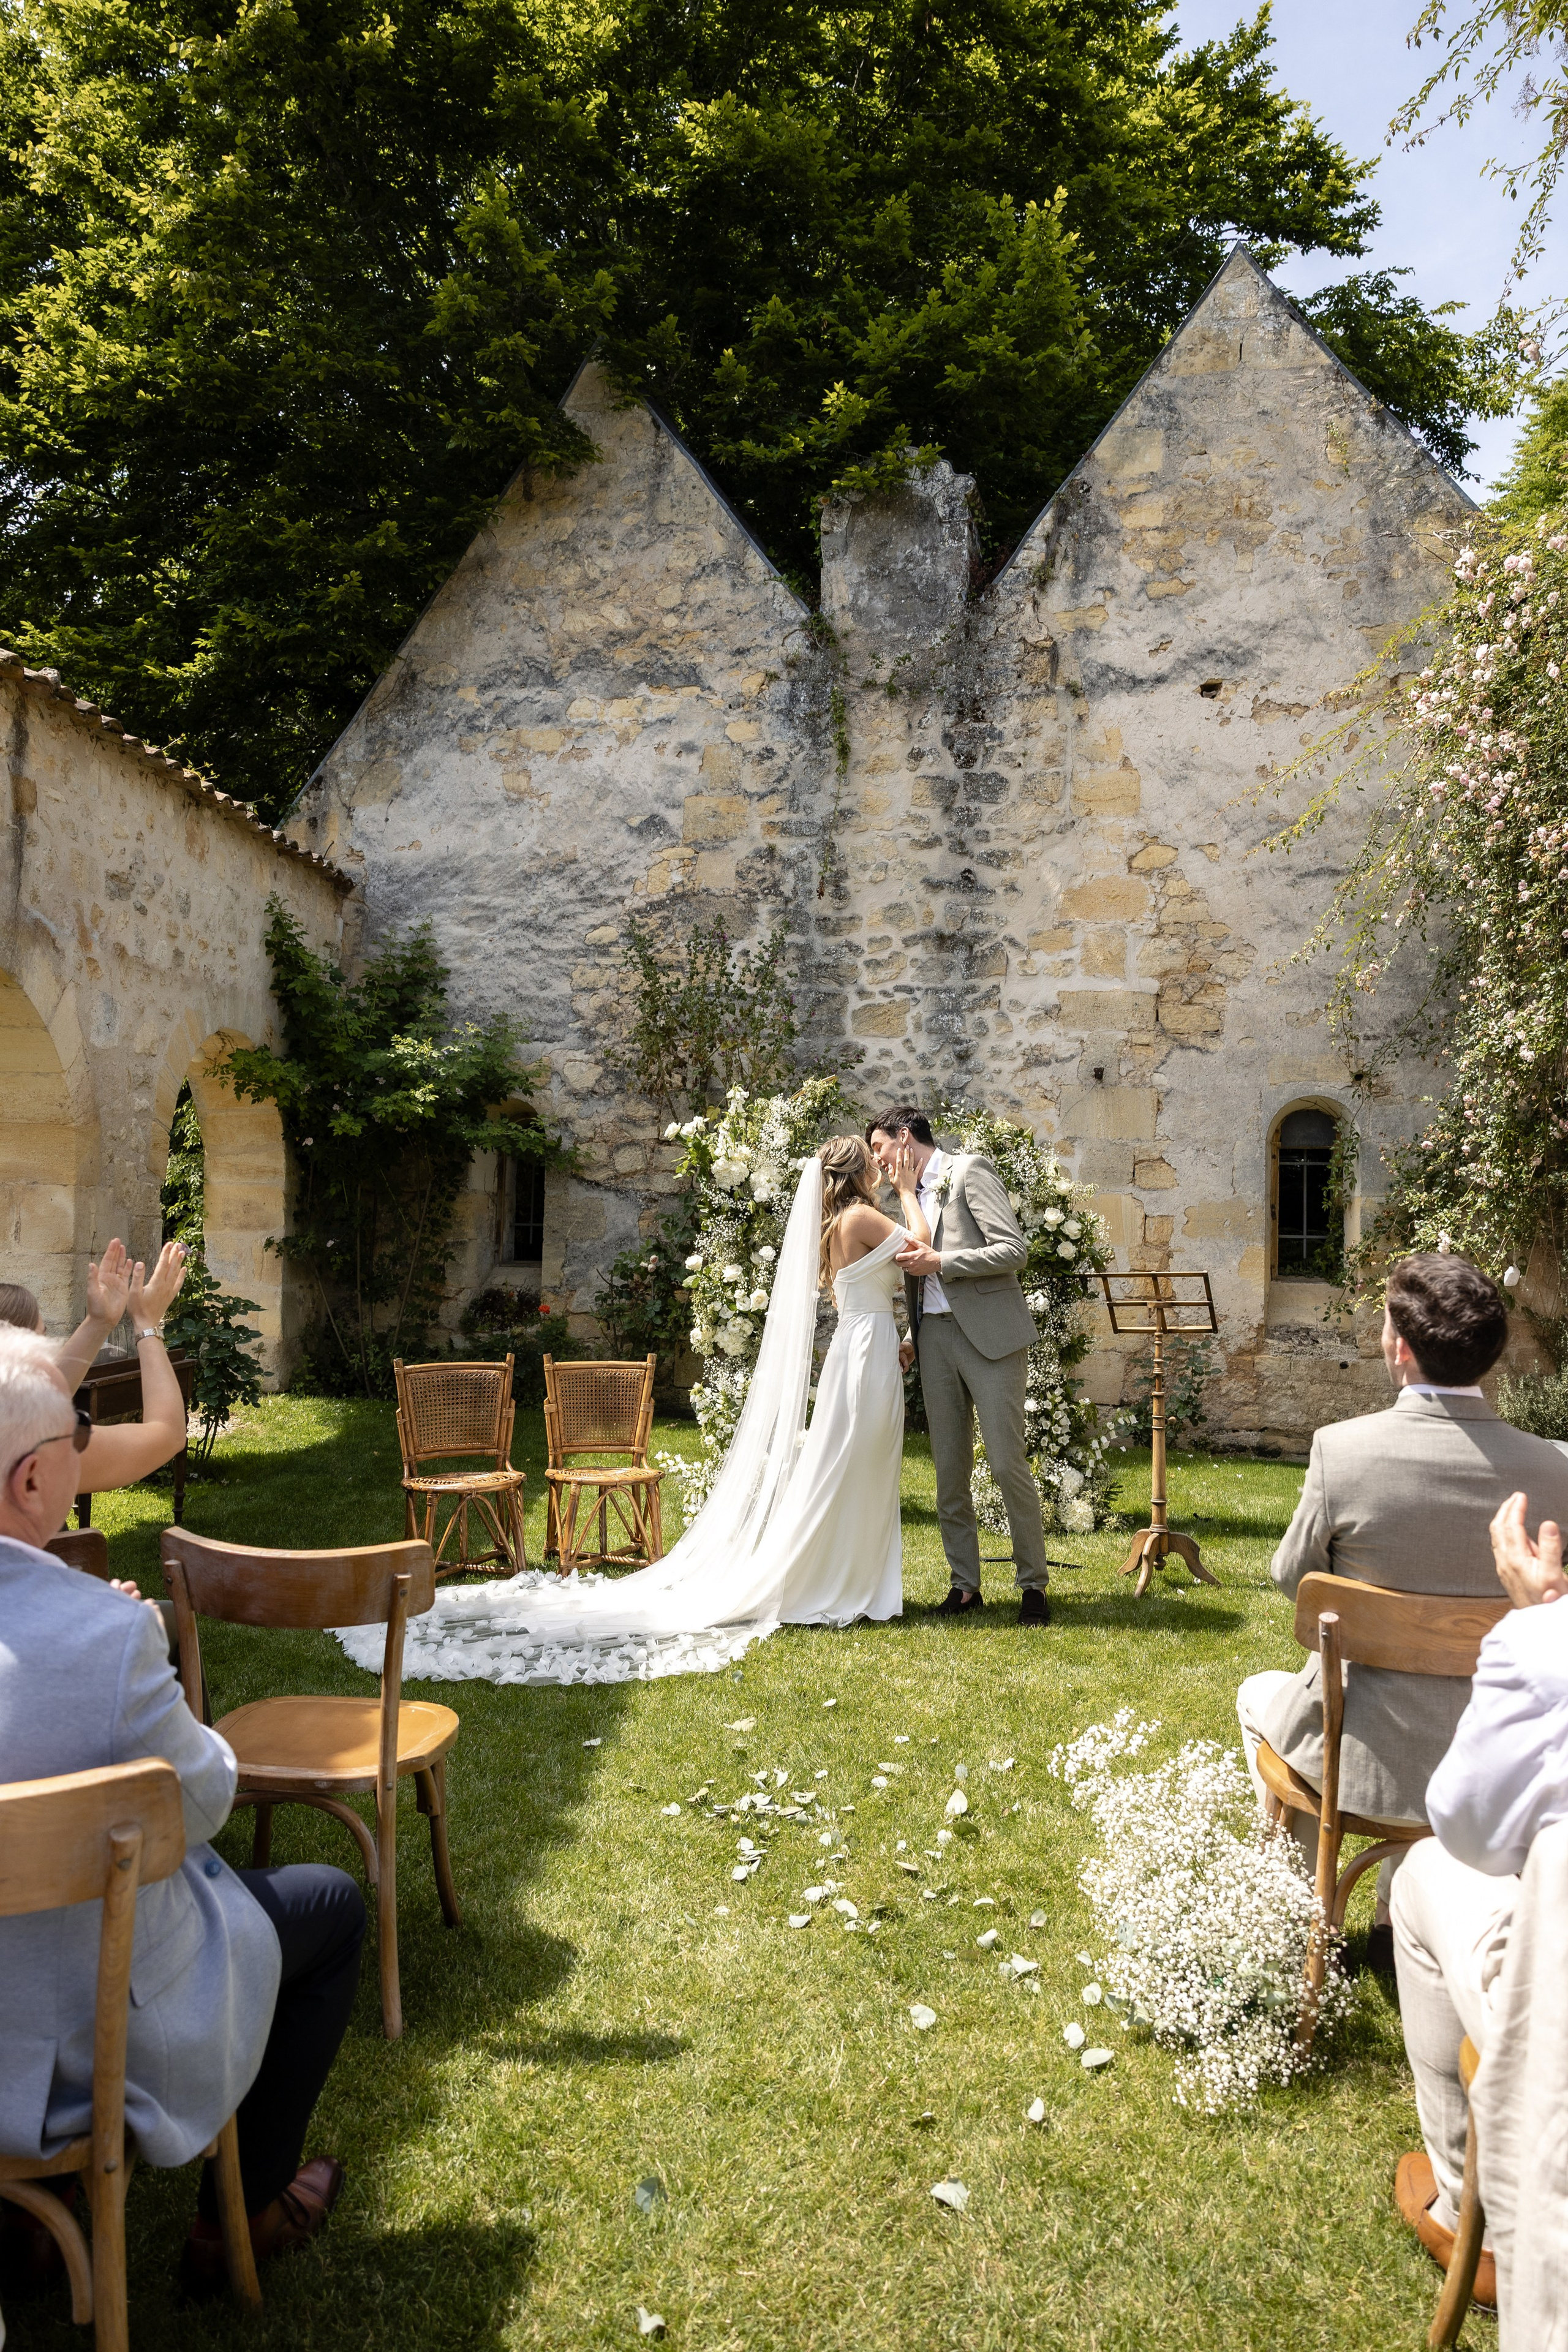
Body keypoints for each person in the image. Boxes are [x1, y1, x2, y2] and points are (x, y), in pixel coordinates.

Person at [0, 1324, 364, 2299]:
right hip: (75, 2035)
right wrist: (143, 1649)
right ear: (31, 1485)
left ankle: (27, 2224)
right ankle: (237, 2218)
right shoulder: (113, 1636)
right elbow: (202, 1800)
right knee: (328, 1906)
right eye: (72, 1453)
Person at [334, 1134, 931, 1687]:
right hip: (865, 1352)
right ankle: (835, 1582)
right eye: (875, 1163)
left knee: (854, 1466)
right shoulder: (859, 1216)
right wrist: (908, 1190)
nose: (883, 1168)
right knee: (853, 1465)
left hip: (868, 1348)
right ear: (855, 1174)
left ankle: (850, 1579)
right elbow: (924, 1247)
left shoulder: (841, 1223)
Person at [1236, 1253, 1568, 1925]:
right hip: (1494, 1766)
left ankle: (1305, 1914)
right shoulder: (1553, 1468)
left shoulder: (1343, 1451)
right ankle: (1395, 1915)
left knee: (1259, 1698)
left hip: (1361, 1760)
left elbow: (1289, 1579)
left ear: (1399, 1348)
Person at [1390, 1489, 1568, 2309]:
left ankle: (1473, 2207)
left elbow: (1465, 1827)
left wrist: (1539, 1620)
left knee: (1426, 1869)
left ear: (1396, 1348)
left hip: (1556, 2034)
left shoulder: (1544, 1650)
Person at [865, 1106, 1050, 1623]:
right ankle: (965, 1586)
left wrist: (942, 1262)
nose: (878, 1162)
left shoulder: (968, 1171)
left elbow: (1014, 1250)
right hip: (936, 1340)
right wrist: (910, 1334)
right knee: (949, 1469)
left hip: (991, 1339)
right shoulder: (905, 1197)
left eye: (880, 1148)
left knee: (1007, 1461)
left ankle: (1033, 1585)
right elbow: (918, 1276)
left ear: (905, 1138)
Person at [1, 1239, 192, 1493]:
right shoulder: (31, 1445)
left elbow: (45, 1396)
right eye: (41, 1342)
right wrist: (147, 1322)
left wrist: (99, 1322)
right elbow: (168, 1435)